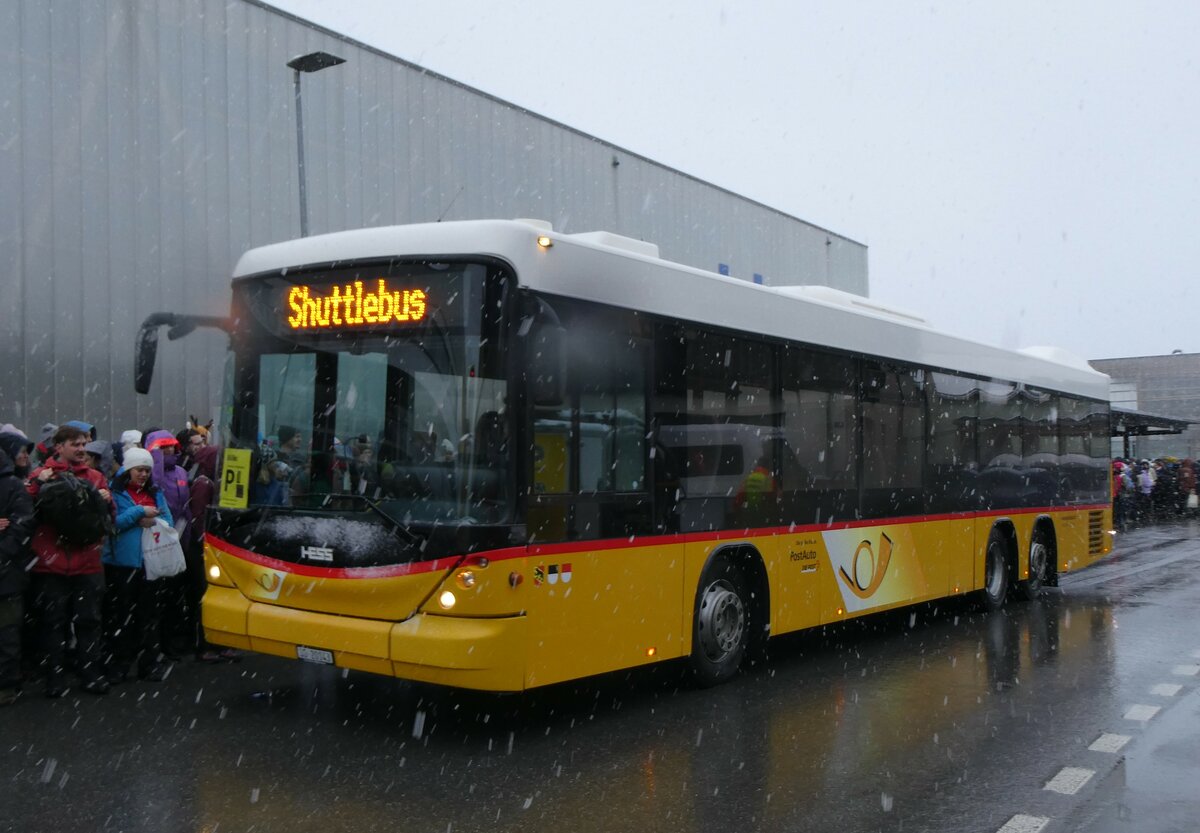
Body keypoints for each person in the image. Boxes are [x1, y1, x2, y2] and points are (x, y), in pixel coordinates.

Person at [26, 424, 114, 697]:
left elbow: (109, 515)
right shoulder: (41, 475)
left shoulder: (96, 477)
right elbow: (26, 510)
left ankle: (90, 674)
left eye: (83, 444)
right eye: (75, 444)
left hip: (87, 563)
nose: (80, 449)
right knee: (53, 623)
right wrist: (38, 485)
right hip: (52, 564)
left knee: (89, 621)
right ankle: (55, 677)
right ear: (59, 446)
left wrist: (106, 500)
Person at [102, 447, 173, 683]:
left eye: (146, 470)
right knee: (122, 617)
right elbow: (114, 524)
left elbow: (168, 520)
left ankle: (148, 664)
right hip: (123, 564)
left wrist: (151, 520)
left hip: (150, 563)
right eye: (138, 470)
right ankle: (120, 664)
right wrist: (139, 513)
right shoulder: (115, 492)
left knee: (149, 617)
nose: (143, 474)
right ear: (128, 469)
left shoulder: (155, 491)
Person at [143, 430, 192, 656]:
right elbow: (156, 482)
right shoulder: (154, 472)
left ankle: (172, 644)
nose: (169, 450)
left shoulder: (181, 471)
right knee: (157, 600)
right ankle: (158, 646)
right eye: (163, 447)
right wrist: (156, 457)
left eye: (171, 445)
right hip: (159, 541)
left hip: (181, 540)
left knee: (175, 597)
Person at [0, 442, 36, 705]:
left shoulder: (11, 486)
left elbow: (20, 527)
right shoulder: (14, 486)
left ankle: (6, 685)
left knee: (7, 632)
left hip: (7, 574)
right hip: (8, 570)